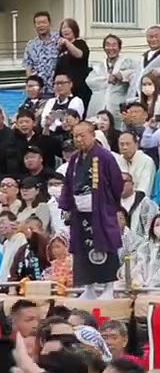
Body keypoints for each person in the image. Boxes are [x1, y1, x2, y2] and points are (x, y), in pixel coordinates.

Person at [58, 121, 125, 301]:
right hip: (80, 210)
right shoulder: (74, 158)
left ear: (93, 135)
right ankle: (88, 287)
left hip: (100, 209)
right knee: (81, 247)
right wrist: (67, 205)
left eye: (82, 135)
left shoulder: (105, 157)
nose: (78, 139)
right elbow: (68, 184)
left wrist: (109, 203)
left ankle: (108, 286)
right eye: (75, 136)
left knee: (105, 244)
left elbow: (117, 183)